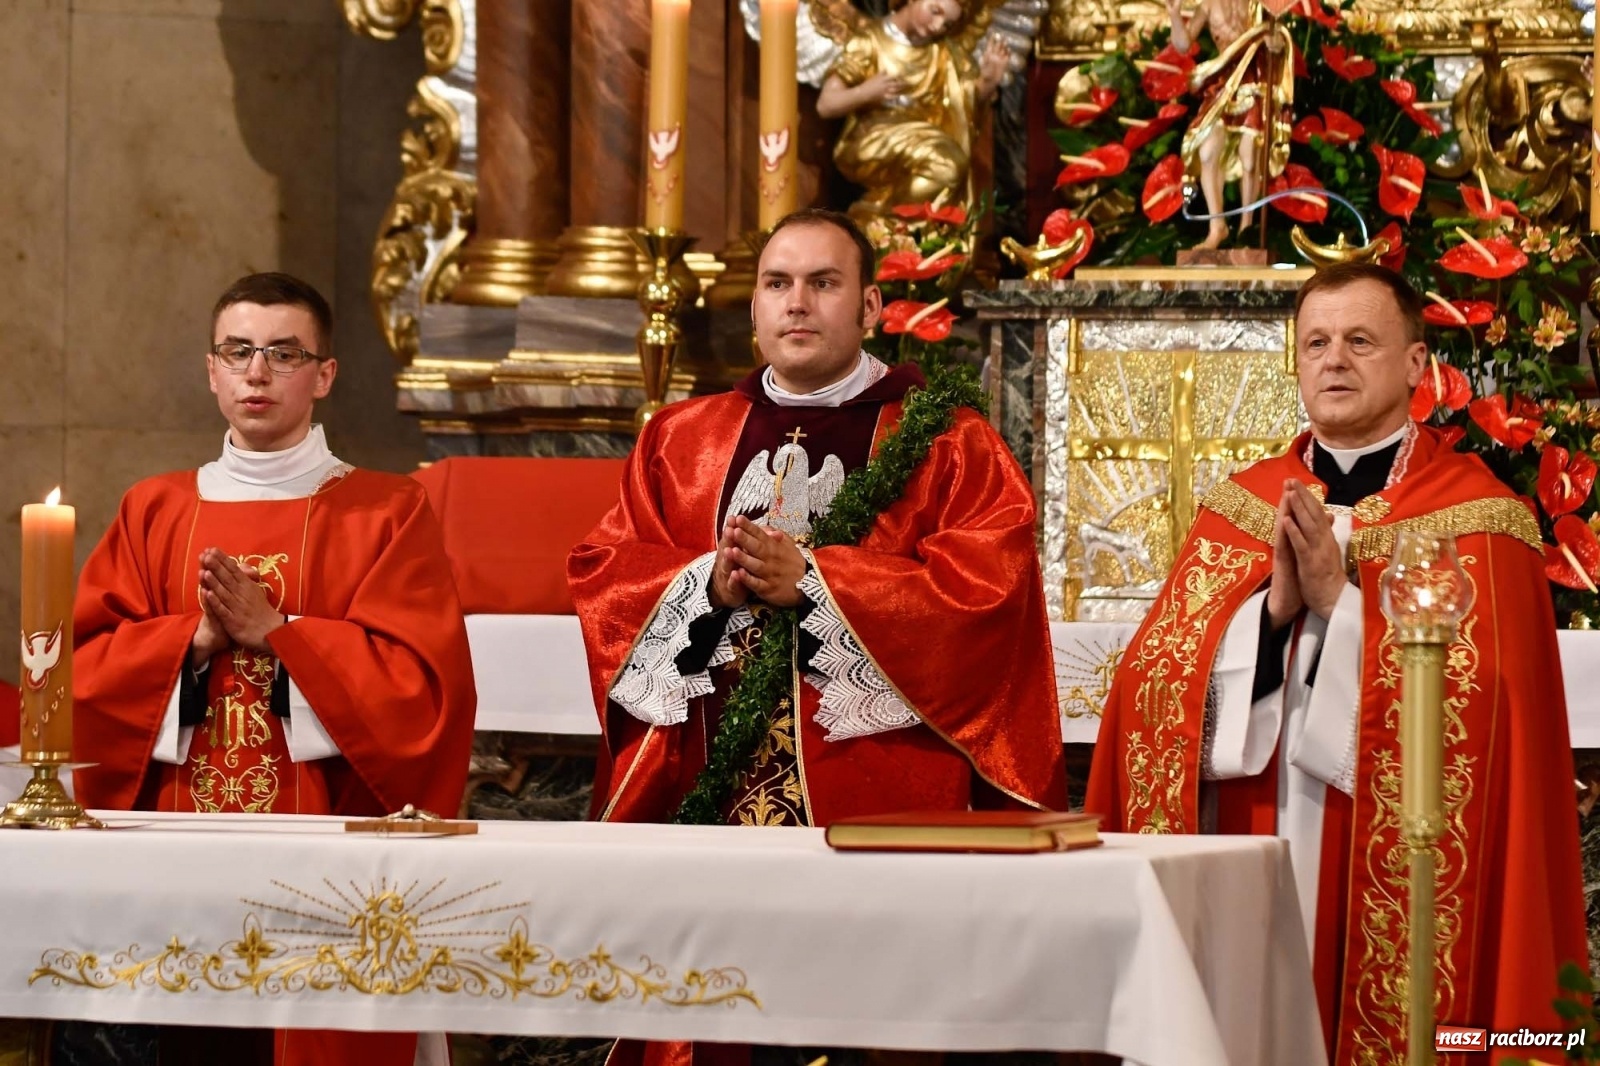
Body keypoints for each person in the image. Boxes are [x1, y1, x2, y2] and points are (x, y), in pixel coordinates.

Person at [1087, 263, 1587, 1062]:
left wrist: (1339, 605)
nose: (1334, 361)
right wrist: (1271, 617)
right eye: (1315, 343)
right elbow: (1151, 687)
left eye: (1360, 341)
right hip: (1252, 840)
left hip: (1394, 866)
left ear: (1418, 366)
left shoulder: (1482, 519)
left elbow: (1488, 714)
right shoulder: (1241, 507)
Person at [72, 272, 477, 1066]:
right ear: (211, 369)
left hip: (325, 863)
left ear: (323, 374)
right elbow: (81, 675)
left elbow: (425, 693)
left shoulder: (386, 511)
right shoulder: (152, 511)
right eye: (239, 351)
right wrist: (188, 644)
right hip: (173, 857)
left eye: (283, 353)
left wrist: (279, 633)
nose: (258, 373)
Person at [570, 207, 1064, 830]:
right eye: (778, 284)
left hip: (873, 782)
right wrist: (710, 583)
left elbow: (989, 597)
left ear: (869, 306)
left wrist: (813, 580)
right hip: (699, 778)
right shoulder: (680, 439)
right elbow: (606, 571)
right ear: (754, 307)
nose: (796, 304)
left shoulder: (950, 443)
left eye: (823, 283)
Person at [815, 0, 1011, 217]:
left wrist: (987, 82)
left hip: (925, 141)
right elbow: (826, 105)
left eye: (947, 24)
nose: (937, 26)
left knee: (946, 165)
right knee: (946, 164)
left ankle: (887, 220)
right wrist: (866, 92)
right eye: (935, 11)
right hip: (873, 140)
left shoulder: (944, 53)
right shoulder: (870, 41)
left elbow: (962, 109)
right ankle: (888, 218)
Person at [1168, 0, 1292, 249]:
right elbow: (1182, 44)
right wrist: (1174, 16)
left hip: (1253, 83)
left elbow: (1278, 41)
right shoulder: (1208, 5)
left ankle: (1247, 230)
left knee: (1249, 159)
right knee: (1207, 152)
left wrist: (1275, 41)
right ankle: (1217, 227)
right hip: (1223, 85)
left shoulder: (1260, 4)